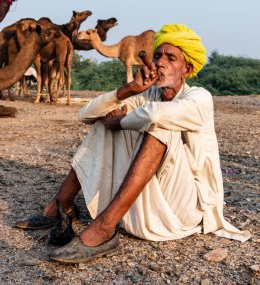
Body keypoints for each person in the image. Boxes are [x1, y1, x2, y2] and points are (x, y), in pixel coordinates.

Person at [15, 24, 251, 264]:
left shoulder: (199, 97)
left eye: (171, 58)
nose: (160, 62)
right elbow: (84, 114)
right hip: (147, 211)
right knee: (103, 121)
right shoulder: (147, 96)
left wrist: (121, 121)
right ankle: (61, 206)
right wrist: (129, 89)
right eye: (158, 55)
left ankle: (104, 229)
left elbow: (157, 116)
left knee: (159, 125)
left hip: (186, 211)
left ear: (186, 69)